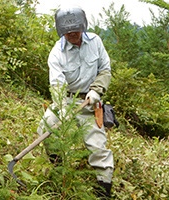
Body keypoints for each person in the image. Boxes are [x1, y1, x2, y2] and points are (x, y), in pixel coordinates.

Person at [37, 6, 114, 199]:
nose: (72, 34)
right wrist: (62, 107)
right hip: (65, 100)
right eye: (67, 31)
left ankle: (103, 190)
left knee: (98, 148)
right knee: (45, 127)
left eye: (76, 30)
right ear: (61, 30)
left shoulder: (95, 42)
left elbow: (105, 69)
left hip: (90, 103)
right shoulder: (57, 53)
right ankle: (59, 169)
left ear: (83, 27)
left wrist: (96, 90)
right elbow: (57, 84)